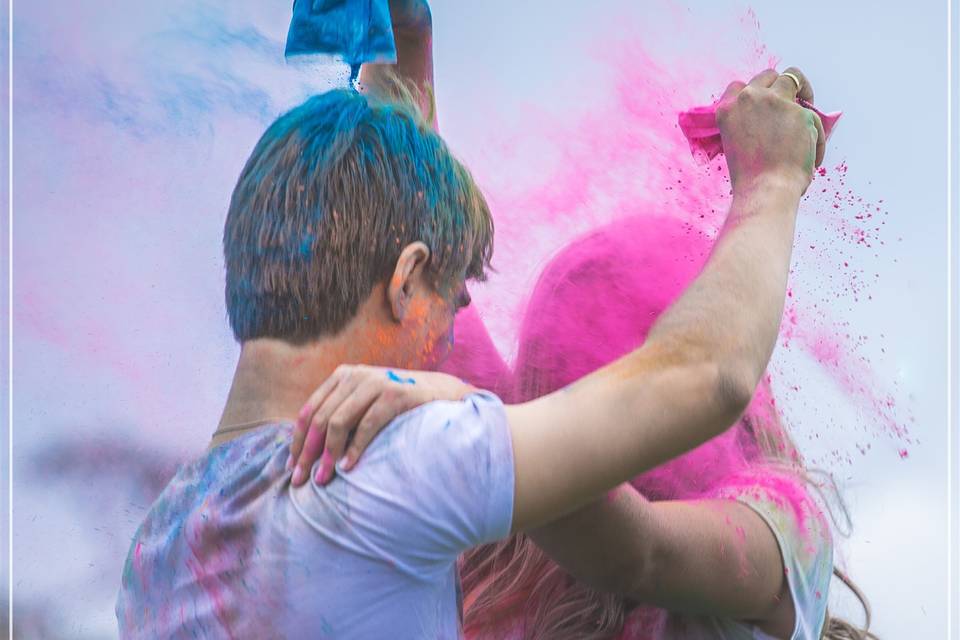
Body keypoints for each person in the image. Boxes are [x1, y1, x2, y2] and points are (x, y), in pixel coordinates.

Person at [115, 1, 826, 638]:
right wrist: (771, 182)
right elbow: (703, 372)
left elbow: (373, 238)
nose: (453, 338)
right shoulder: (407, 465)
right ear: (405, 281)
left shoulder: (154, 548)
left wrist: (404, 44)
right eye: (454, 298)